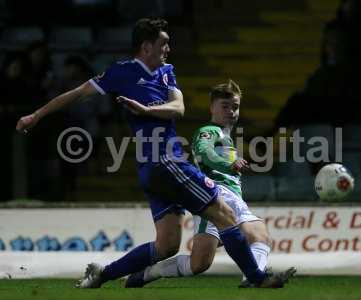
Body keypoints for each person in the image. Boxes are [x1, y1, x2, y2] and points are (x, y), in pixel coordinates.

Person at [16, 17, 294, 288]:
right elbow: (77, 93)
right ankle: (258, 279)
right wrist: (37, 115)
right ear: (146, 47)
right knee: (224, 215)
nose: (168, 49)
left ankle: (102, 275)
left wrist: (147, 110)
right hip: (165, 161)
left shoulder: (166, 71)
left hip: (155, 169)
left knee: (167, 245)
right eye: (164, 44)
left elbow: (179, 107)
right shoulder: (120, 73)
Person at [124, 79, 276, 288]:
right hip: (216, 195)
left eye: (235, 107)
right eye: (225, 106)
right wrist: (229, 165)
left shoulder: (225, 135)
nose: (231, 111)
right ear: (211, 107)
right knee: (259, 234)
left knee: (199, 263)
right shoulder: (209, 131)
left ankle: (149, 273)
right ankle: (254, 277)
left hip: (223, 196)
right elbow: (205, 153)